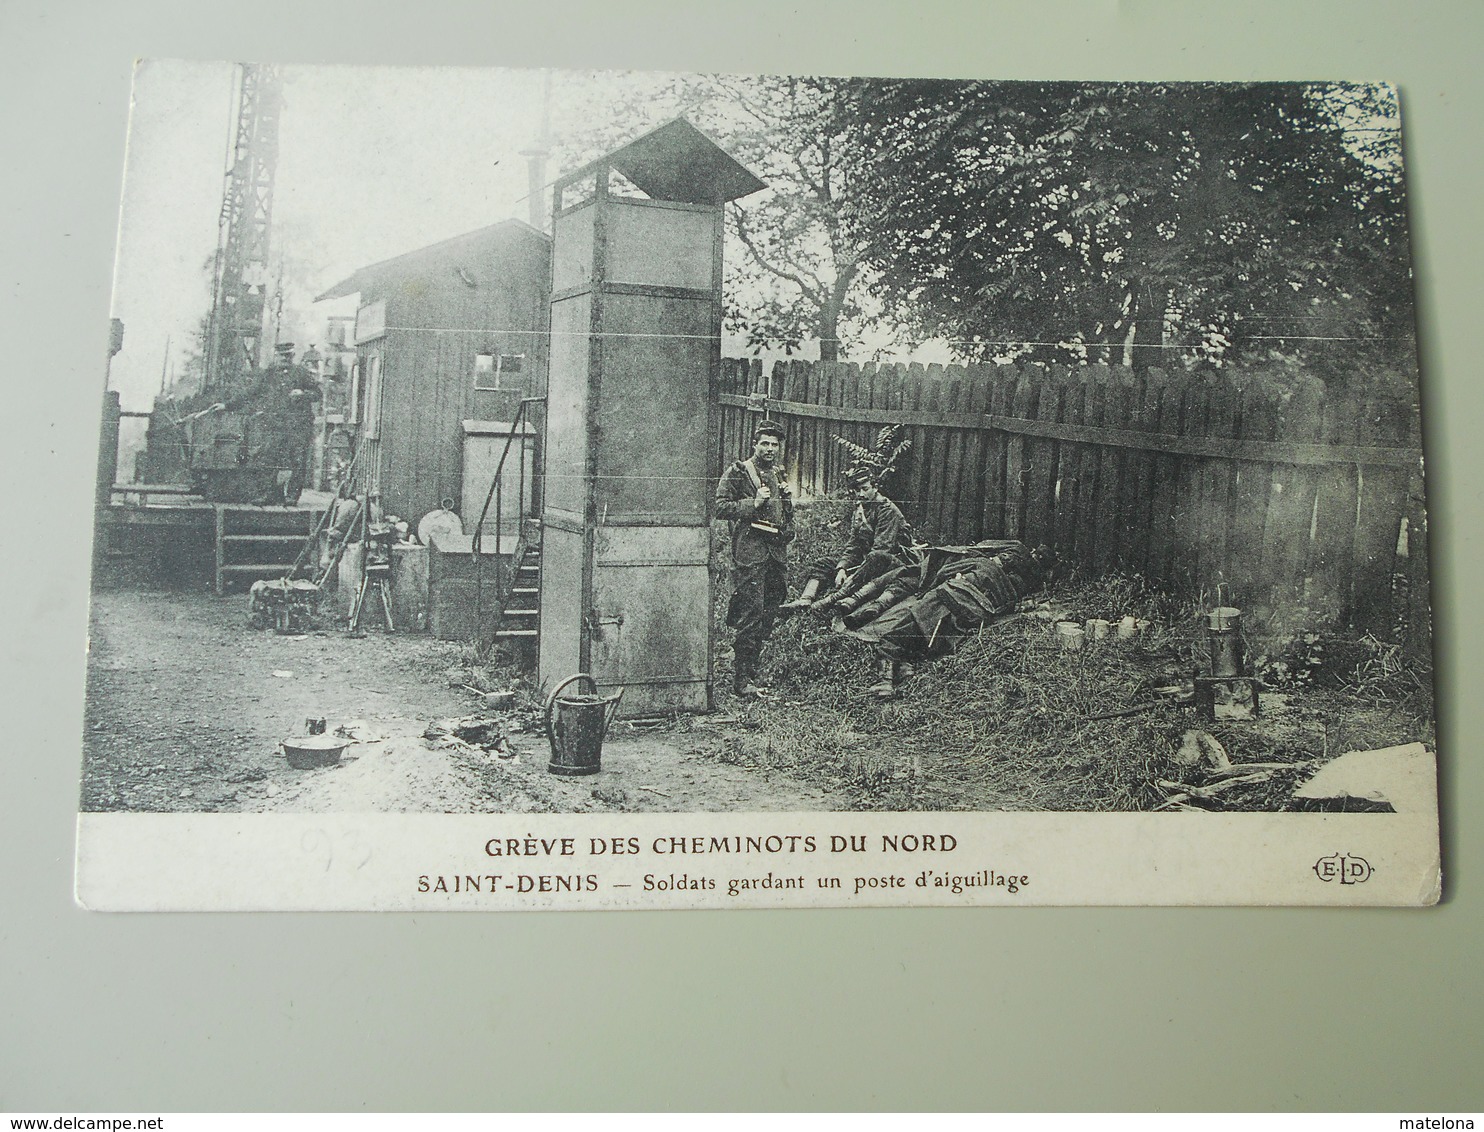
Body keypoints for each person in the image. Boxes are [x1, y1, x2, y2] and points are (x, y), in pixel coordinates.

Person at [715, 421, 794, 698]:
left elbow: (785, 517)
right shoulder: (739, 472)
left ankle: (751, 669)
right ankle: (741, 679)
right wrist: (754, 504)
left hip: (775, 554)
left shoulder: (778, 473)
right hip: (749, 553)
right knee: (751, 611)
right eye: (765, 443)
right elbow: (720, 507)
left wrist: (787, 503)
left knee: (769, 610)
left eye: (775, 444)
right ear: (755, 444)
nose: (770, 449)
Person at [781, 463, 915, 614]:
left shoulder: (887, 510)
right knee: (823, 563)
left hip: (892, 564)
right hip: (868, 559)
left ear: (875, 487)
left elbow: (883, 549)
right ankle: (806, 599)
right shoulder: (861, 508)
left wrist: (857, 570)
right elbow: (854, 543)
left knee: (874, 557)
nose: (861, 494)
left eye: (865, 489)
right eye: (857, 490)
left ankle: (834, 598)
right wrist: (842, 568)